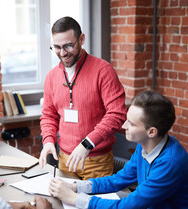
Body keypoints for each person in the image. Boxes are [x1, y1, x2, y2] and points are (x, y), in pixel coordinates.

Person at [49, 91, 188, 209]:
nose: (123, 126)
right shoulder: (146, 144)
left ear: (151, 132)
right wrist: (77, 187)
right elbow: (120, 179)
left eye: (131, 123)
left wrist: (74, 198)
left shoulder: (170, 164)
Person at [39, 16, 127, 180]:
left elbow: (117, 114)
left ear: (82, 39)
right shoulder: (52, 76)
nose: (63, 53)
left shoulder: (103, 70)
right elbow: (49, 115)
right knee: (63, 205)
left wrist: (88, 143)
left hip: (97, 162)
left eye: (68, 46)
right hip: (64, 159)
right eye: (57, 47)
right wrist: (49, 141)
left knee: (93, 206)